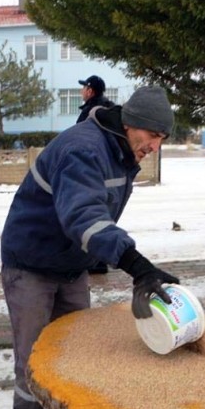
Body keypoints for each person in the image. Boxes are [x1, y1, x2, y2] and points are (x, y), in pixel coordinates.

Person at [0, 86, 180, 409]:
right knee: (33, 362)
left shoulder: (120, 151)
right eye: (153, 135)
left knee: (75, 352)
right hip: (30, 265)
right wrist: (137, 265)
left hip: (70, 266)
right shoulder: (84, 149)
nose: (155, 147)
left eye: (162, 139)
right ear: (130, 123)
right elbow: (84, 217)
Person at [78, 75, 115, 274]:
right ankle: (99, 259)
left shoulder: (91, 112)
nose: (81, 91)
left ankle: (96, 261)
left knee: (91, 214)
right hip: (108, 170)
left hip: (93, 169)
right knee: (104, 213)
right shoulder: (108, 109)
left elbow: (80, 140)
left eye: (84, 88)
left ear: (90, 91)